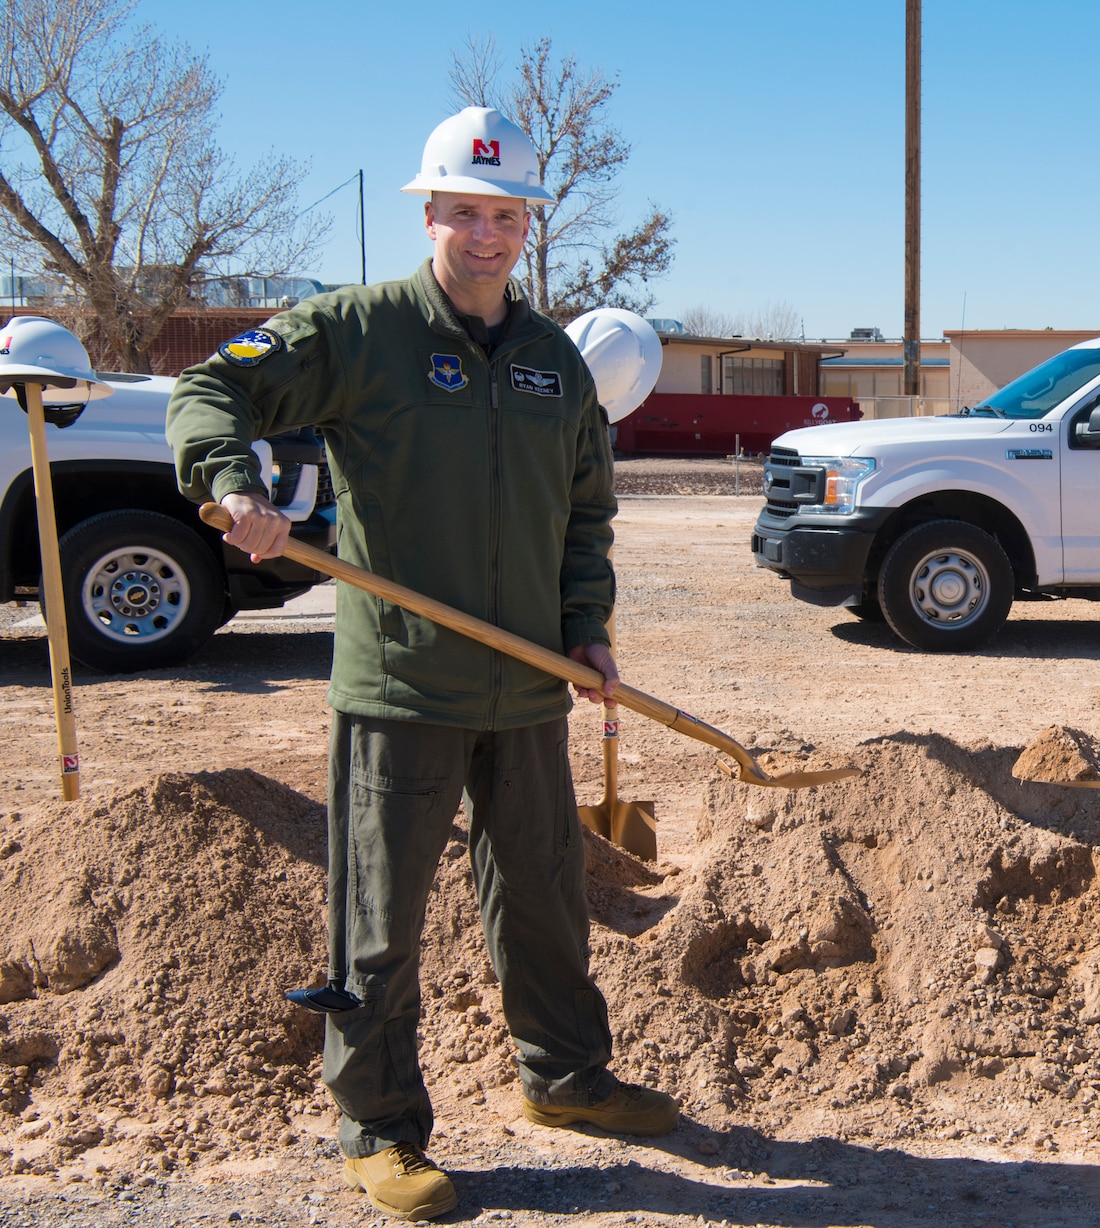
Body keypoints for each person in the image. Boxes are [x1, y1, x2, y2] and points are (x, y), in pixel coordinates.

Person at [168, 107, 676, 1222]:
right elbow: (213, 387)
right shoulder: (359, 332)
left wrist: (585, 622)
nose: (486, 236)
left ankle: (564, 1077)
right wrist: (232, 483)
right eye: (465, 213)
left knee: (545, 893)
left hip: (528, 679)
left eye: (506, 216)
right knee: (379, 915)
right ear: (430, 212)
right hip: (402, 687)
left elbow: (584, 511)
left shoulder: (551, 360)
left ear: (526, 222)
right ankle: (380, 1127)